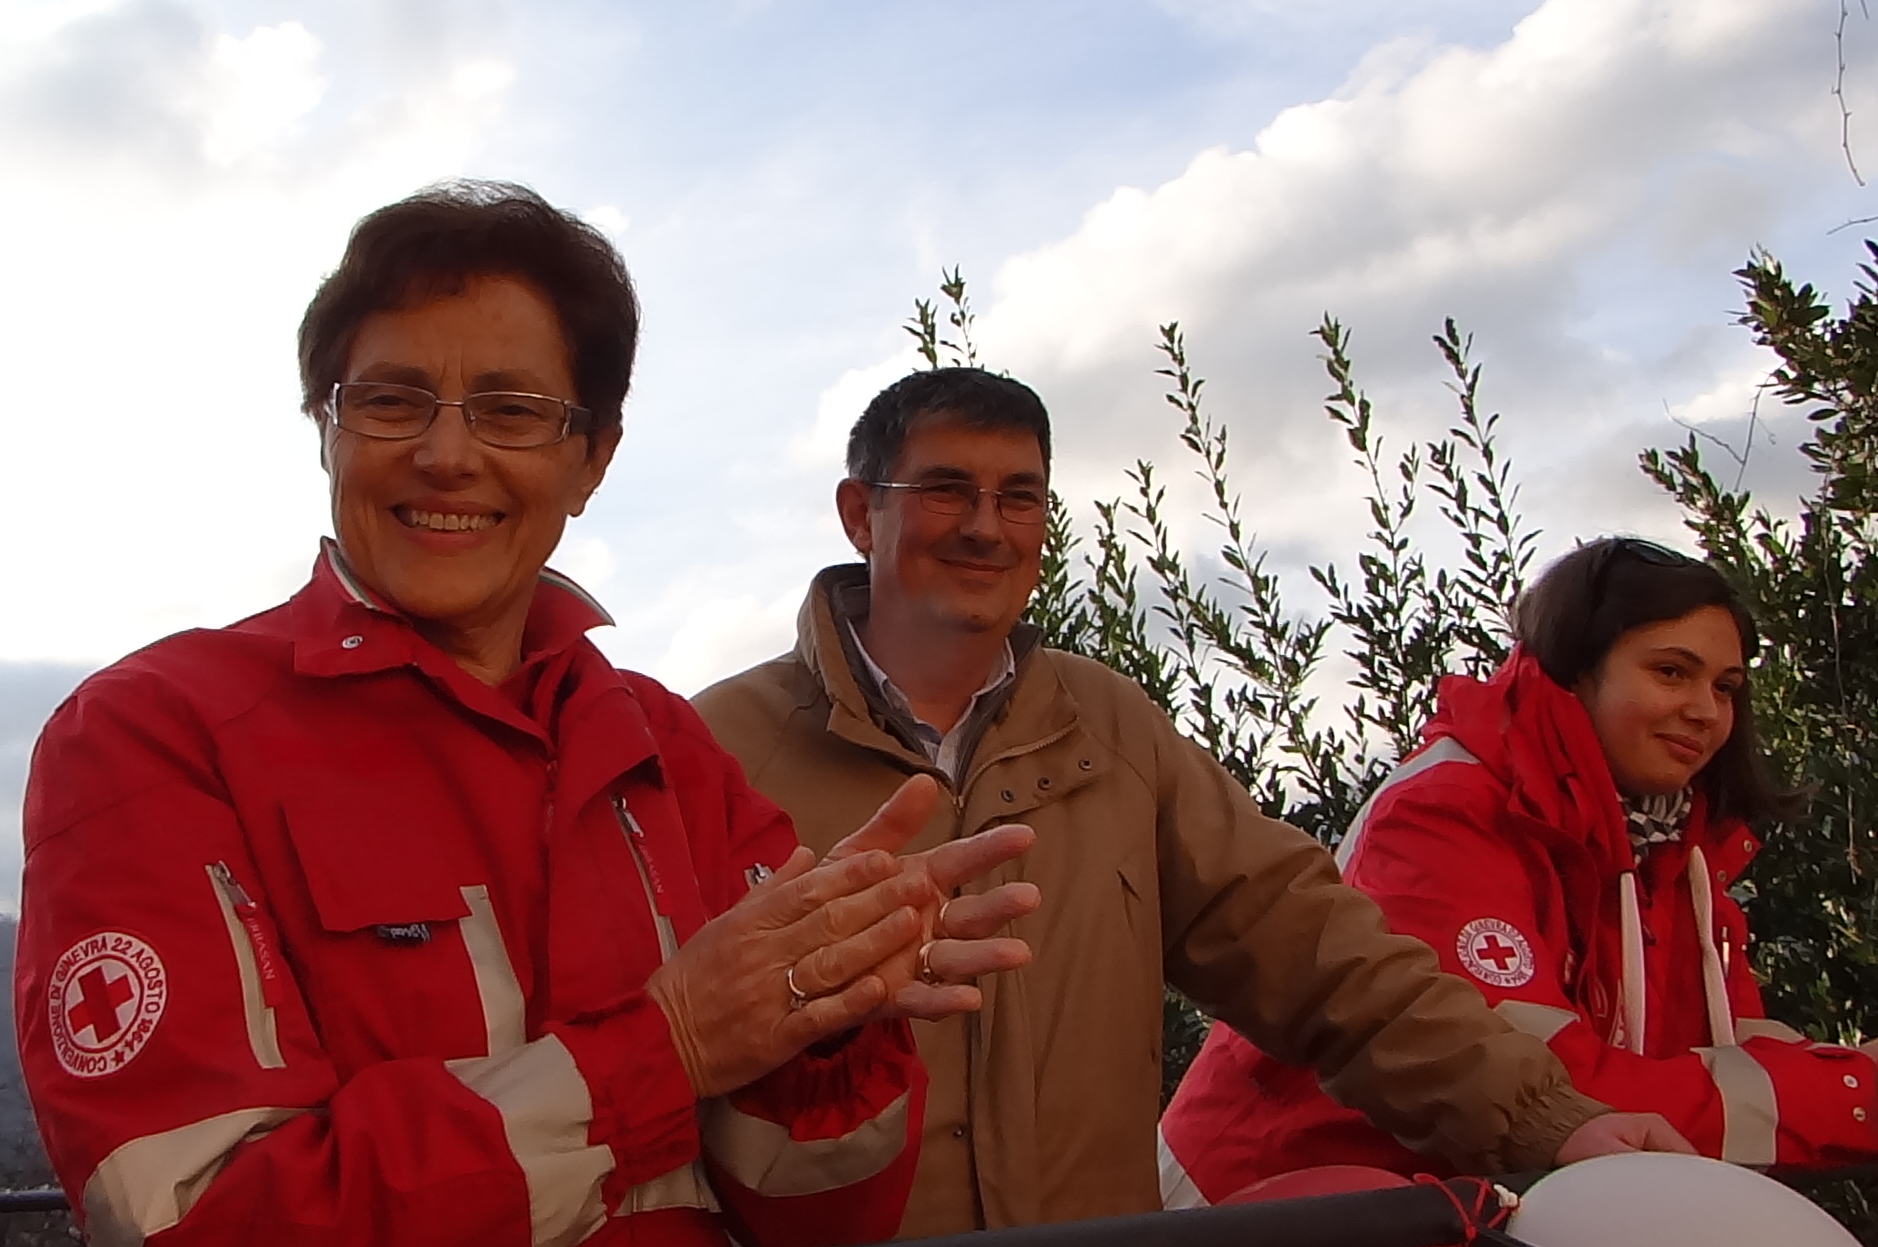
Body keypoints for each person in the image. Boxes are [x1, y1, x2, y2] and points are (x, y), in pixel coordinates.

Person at [12, 184, 1040, 1247]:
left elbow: (819, 1218)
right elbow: (197, 1225)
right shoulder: (151, 735)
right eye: (391, 400)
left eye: (510, 412)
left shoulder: (664, 748)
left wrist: (827, 1029)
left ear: (590, 461)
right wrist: (667, 1047)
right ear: (327, 429)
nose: (447, 455)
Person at [692, 367, 1691, 1238]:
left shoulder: (1114, 732)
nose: (989, 527)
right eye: (948, 490)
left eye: (1021, 497)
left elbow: (1318, 957)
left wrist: (1554, 1118)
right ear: (861, 512)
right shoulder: (716, 749)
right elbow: (651, 1056)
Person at [1160, 537, 1878, 1200]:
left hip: (1462, 1210)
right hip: (1276, 1206)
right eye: (1670, 672)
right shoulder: (1446, 814)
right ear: (1574, 670)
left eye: (1725, 687)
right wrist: (1858, 1095)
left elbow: (1731, 1055)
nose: (1705, 711)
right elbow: (1555, 1087)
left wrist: (1852, 1080)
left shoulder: (1670, 853)